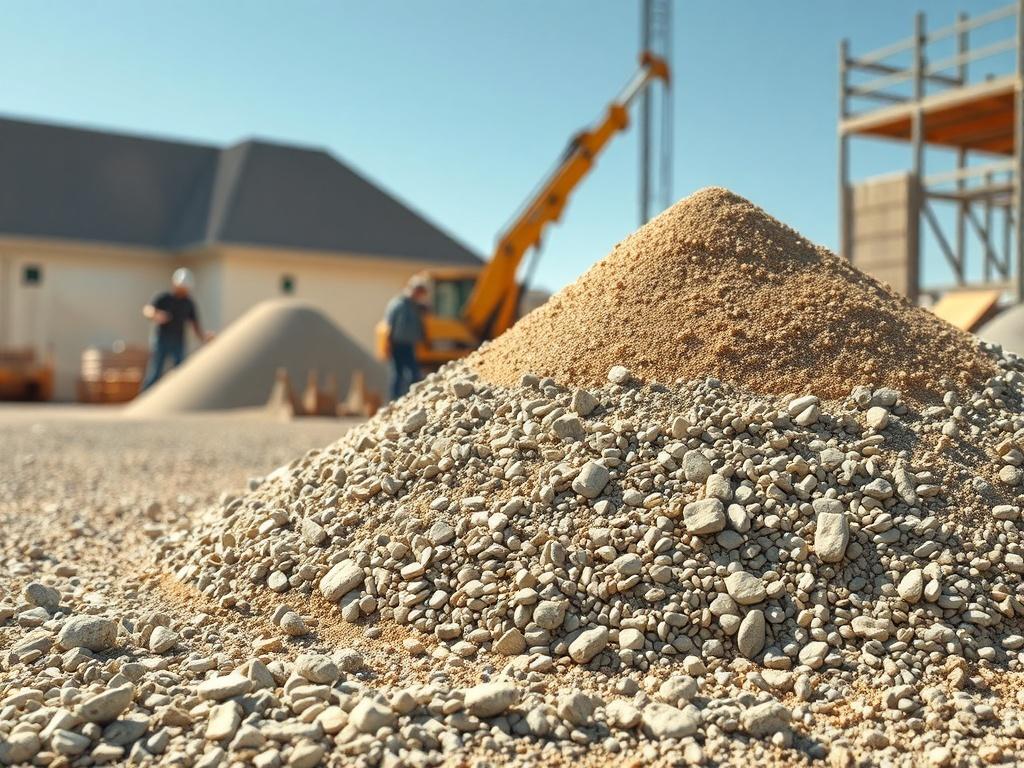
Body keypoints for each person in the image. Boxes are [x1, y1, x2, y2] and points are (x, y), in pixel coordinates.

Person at [141, 267, 212, 390]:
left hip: (178, 341)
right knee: (155, 373)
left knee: (180, 372)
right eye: (181, 288)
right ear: (175, 285)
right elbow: (148, 310)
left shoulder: (188, 303)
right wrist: (155, 315)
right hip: (162, 340)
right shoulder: (164, 298)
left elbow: (195, 324)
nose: (183, 291)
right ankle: (143, 400)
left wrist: (204, 337)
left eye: (185, 289)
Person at [384, 277, 428, 400]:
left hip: (409, 345)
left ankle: (409, 398)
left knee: (414, 373)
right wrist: (388, 344)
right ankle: (393, 400)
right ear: (414, 290)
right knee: (398, 374)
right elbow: (390, 325)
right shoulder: (398, 304)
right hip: (397, 344)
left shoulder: (414, 306)